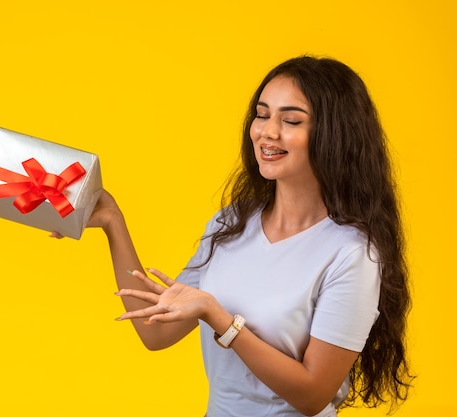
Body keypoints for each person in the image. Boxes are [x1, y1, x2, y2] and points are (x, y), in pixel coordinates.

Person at [54, 56, 414, 416]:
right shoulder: (231, 223)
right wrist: (114, 223)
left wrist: (220, 318)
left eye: (290, 120)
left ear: (335, 135)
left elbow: (312, 394)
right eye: (262, 114)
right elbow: (156, 332)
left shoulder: (351, 253)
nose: (267, 131)